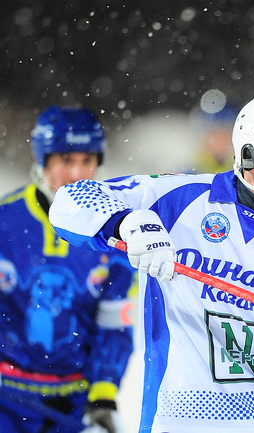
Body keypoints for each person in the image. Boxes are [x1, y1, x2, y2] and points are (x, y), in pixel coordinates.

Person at [49, 92, 254, 433]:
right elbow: (70, 200)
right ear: (251, 157)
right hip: (180, 423)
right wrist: (126, 223)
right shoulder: (179, 198)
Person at [0, 105, 136, 433]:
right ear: (42, 159)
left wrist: (104, 393)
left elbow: (114, 325)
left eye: (86, 161)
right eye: (65, 160)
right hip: (5, 397)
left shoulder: (115, 237)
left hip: (72, 404)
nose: (76, 174)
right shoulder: (5, 223)